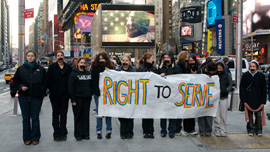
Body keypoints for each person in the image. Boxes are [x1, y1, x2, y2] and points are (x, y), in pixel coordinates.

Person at [13, 50, 47, 145]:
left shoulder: (40, 69)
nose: (30, 57)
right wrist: (20, 87)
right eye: (28, 56)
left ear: (35, 57)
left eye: (32, 56)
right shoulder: (21, 69)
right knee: (26, 118)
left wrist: (42, 91)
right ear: (26, 57)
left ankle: (35, 137)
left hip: (37, 97)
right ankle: (27, 138)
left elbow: (45, 82)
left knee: (35, 117)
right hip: (24, 97)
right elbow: (15, 81)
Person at [47, 50, 72, 141]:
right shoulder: (52, 67)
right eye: (58, 55)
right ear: (56, 57)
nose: (60, 57)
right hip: (54, 95)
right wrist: (50, 90)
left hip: (65, 95)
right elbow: (48, 80)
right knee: (55, 114)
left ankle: (63, 132)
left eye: (61, 55)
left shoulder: (68, 67)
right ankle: (56, 133)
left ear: (64, 57)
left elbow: (70, 81)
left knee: (63, 114)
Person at [157, 50, 182, 138]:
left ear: (171, 58)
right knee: (163, 114)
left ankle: (172, 130)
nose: (166, 59)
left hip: (173, 95)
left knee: (172, 114)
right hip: (163, 95)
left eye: (168, 58)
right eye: (165, 58)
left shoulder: (177, 68)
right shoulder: (160, 68)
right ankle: (163, 130)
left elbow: (180, 78)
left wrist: (167, 75)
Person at [68, 57, 93, 141]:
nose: (82, 64)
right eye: (81, 62)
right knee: (78, 117)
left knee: (86, 116)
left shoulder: (89, 73)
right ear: (78, 63)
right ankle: (78, 134)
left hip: (87, 98)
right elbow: (71, 87)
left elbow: (92, 85)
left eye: (84, 63)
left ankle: (86, 134)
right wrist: (73, 99)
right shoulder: (73, 74)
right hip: (77, 99)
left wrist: (90, 93)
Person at [240, 60, 267, 136]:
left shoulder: (261, 76)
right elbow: (242, 88)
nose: (252, 68)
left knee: (258, 115)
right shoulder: (245, 75)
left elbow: (264, 89)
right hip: (248, 98)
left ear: (257, 67)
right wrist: (243, 99)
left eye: (254, 66)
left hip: (258, 98)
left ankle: (259, 129)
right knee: (250, 115)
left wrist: (263, 101)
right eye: (251, 66)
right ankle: (250, 129)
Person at [91, 52, 114, 139]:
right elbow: (93, 80)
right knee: (99, 112)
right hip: (98, 93)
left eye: (103, 59)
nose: (101, 60)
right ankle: (99, 130)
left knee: (108, 112)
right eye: (100, 59)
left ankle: (109, 130)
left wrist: (109, 71)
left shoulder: (110, 67)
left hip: (108, 93)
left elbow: (114, 78)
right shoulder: (95, 67)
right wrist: (96, 91)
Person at [137, 52, 157, 139]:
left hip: (151, 93)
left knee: (150, 113)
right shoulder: (141, 68)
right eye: (152, 58)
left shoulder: (154, 68)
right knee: (145, 113)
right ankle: (146, 131)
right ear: (148, 59)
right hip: (143, 93)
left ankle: (151, 131)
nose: (153, 60)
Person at [116, 54, 137, 139]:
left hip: (131, 96)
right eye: (123, 61)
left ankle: (129, 132)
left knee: (130, 115)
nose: (125, 62)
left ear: (129, 61)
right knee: (122, 115)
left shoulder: (134, 70)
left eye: (126, 61)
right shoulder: (118, 70)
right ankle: (123, 132)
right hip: (121, 96)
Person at [197, 62, 217, 136]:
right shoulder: (200, 72)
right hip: (200, 95)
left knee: (209, 114)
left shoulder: (215, 74)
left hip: (210, 96)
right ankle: (202, 130)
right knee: (201, 113)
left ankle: (208, 130)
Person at [214, 60, 232, 137]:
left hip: (224, 97)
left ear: (223, 68)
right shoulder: (215, 75)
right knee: (216, 115)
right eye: (217, 68)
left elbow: (230, 85)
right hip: (216, 97)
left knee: (223, 115)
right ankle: (217, 129)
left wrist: (225, 90)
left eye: (220, 68)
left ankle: (223, 129)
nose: (219, 70)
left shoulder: (227, 75)